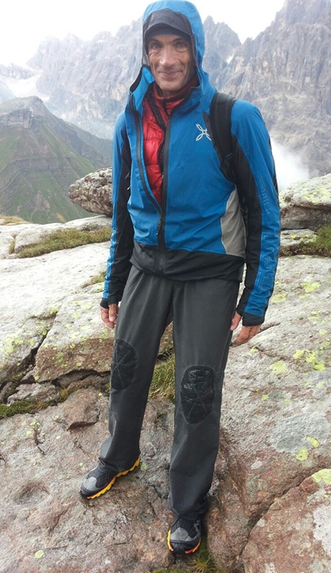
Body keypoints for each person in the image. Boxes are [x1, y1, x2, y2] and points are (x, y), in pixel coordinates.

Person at [80, 0, 280, 556]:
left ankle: (187, 503)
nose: (166, 59)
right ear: (144, 53)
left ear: (196, 50)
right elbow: (124, 207)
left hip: (209, 273)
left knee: (196, 389)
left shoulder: (231, 117)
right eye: (155, 47)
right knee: (126, 365)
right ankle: (121, 455)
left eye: (178, 46)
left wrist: (255, 297)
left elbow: (264, 209)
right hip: (147, 265)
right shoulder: (130, 116)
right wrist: (112, 285)